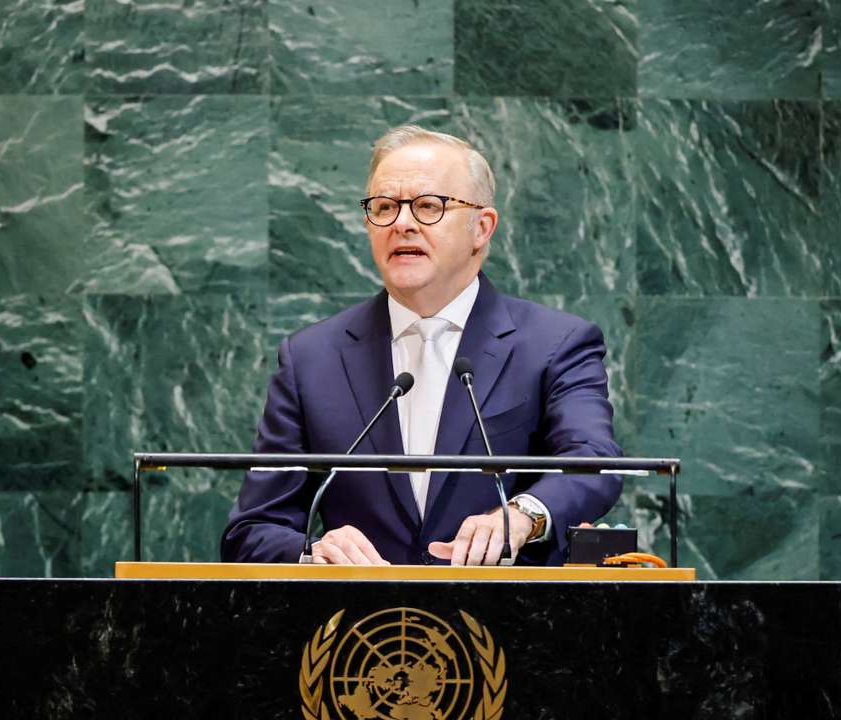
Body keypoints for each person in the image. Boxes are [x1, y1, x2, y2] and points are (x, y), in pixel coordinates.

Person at [221, 125, 622, 566]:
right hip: (357, 610)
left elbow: (594, 464)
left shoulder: (554, 345)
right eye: (384, 207)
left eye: (429, 206)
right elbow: (253, 530)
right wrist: (312, 553)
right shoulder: (311, 359)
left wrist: (523, 515)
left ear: (481, 228)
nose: (402, 223)